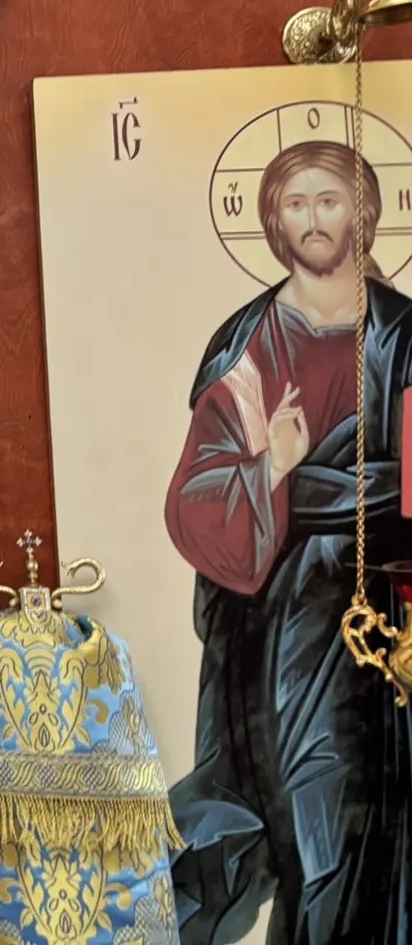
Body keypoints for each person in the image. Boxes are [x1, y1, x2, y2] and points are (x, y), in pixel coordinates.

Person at [165, 139, 412, 942]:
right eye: (295, 204)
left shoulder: (404, 337)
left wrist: (334, 489)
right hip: (279, 635)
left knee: (378, 834)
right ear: (273, 222)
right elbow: (196, 499)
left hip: (391, 617)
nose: (313, 219)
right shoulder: (247, 346)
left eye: (329, 200)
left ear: (363, 213)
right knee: (315, 832)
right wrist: (273, 466)